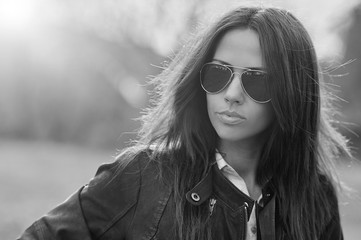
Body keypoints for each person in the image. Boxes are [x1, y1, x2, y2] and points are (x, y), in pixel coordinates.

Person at [18, 6, 350, 240]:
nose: (232, 94)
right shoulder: (143, 176)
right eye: (219, 73)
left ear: (292, 92)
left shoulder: (315, 197)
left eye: (257, 80)